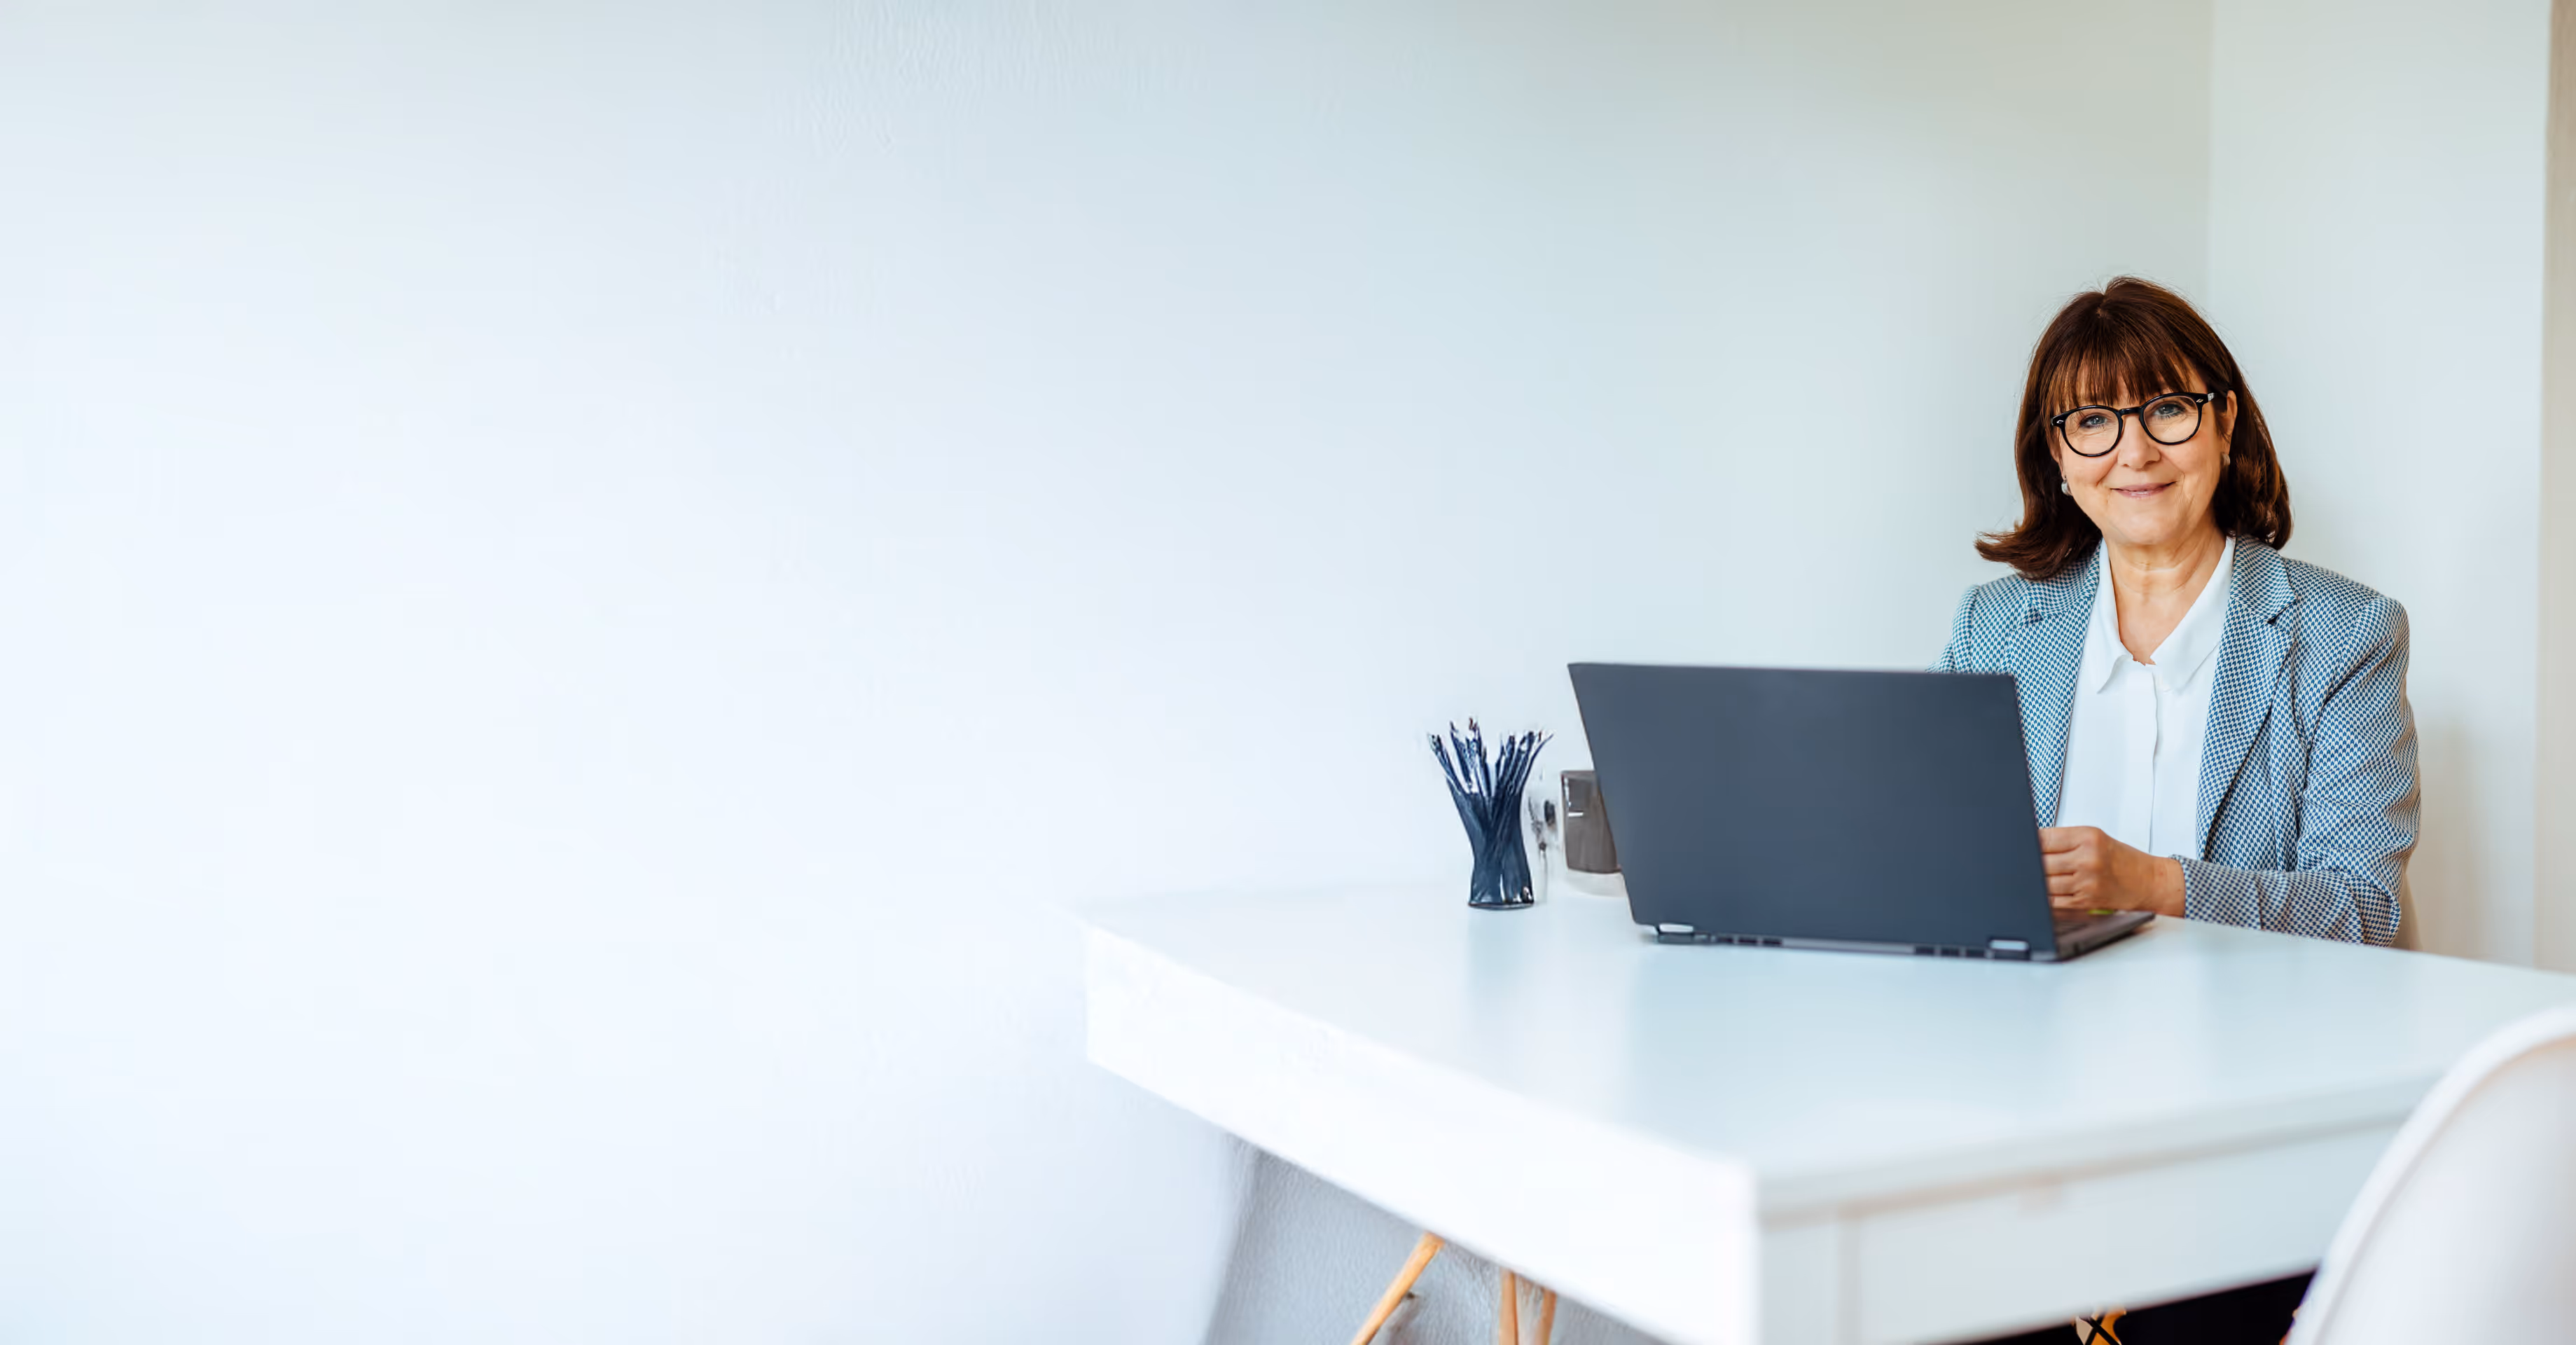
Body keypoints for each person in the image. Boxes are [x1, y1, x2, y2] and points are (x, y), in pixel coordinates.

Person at [1946, 277, 2420, 1345]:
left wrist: (2152, 885)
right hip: (2024, 1118)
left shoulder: (2342, 636)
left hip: (2255, 1125)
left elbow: (2365, 912)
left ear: (2222, 423)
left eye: (2165, 409)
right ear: (2056, 461)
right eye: (2092, 422)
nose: (2134, 452)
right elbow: (1935, 864)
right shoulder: (1993, 630)